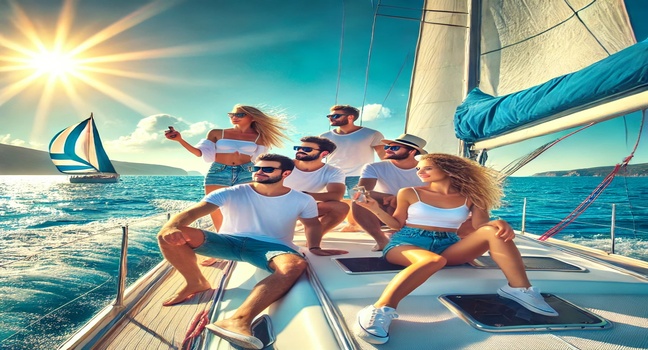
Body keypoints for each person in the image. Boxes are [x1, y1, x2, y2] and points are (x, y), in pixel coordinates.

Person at [353, 153, 559, 345]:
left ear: (449, 170)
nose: (420, 172)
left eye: (427, 168)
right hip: (407, 242)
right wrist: (374, 208)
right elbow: (397, 224)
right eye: (419, 169)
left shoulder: (472, 197)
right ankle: (379, 308)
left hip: (448, 244)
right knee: (433, 261)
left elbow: (480, 227)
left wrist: (498, 223)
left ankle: (520, 289)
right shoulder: (409, 192)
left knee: (494, 232)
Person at [157, 153, 348, 350]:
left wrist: (315, 247)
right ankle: (195, 282)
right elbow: (193, 212)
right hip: (228, 241)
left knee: (295, 265)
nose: (259, 172)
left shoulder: (301, 199)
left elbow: (312, 225)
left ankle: (238, 320)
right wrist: (172, 226)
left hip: (271, 246)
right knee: (167, 235)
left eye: (267, 169)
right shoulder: (231, 192)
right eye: (256, 168)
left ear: (286, 173)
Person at [165, 104, 289, 231]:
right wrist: (180, 139)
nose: (234, 117)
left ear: (252, 117)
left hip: (246, 171)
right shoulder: (217, 133)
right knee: (214, 206)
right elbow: (199, 153)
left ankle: (242, 235)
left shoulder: (259, 137)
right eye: (232, 115)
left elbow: (260, 160)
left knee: (246, 206)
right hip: (219, 171)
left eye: (239, 114)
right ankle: (221, 236)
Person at [352, 133, 427, 250]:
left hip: (417, 210)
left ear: (412, 152)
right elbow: (361, 191)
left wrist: (401, 199)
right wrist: (391, 196)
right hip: (387, 208)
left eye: (395, 148)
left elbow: (438, 194)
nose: (388, 150)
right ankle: (382, 241)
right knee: (360, 200)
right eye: (387, 147)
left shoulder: (427, 169)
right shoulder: (373, 167)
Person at [320, 104, 386, 232]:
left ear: (350, 117)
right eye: (330, 116)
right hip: (333, 175)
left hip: (360, 175)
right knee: (340, 200)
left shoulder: (372, 134)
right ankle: (350, 223)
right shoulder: (324, 136)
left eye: (336, 116)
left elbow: (383, 155)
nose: (331, 118)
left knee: (359, 202)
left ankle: (354, 224)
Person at [284, 136, 349, 235]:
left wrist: (301, 196)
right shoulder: (282, 164)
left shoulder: (333, 171)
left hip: (307, 207)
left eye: (307, 149)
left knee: (341, 207)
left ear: (324, 153)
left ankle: (314, 236)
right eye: (298, 148)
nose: (300, 151)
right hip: (278, 204)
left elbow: (336, 196)